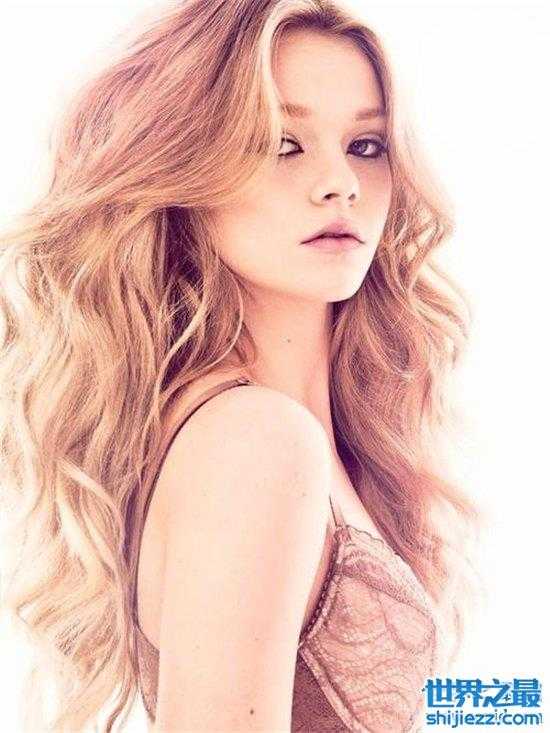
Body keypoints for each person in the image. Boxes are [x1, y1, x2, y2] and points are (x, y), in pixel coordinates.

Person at [0, 0, 484, 731]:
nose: (340, 183)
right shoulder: (254, 440)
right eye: (282, 144)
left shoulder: (303, 437)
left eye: (366, 145)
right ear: (188, 171)